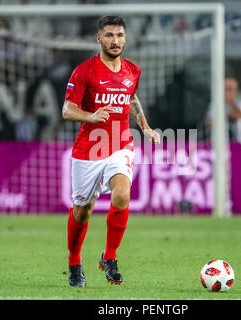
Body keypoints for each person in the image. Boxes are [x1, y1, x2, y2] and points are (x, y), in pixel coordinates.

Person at [62, 16, 160, 287]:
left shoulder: (132, 71)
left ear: (125, 38)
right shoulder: (84, 71)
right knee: (82, 211)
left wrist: (146, 127)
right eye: (109, 35)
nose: (114, 41)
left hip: (120, 144)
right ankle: (74, 261)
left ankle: (110, 257)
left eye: (119, 35)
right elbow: (67, 109)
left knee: (122, 193)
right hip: (88, 150)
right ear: (99, 39)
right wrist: (91, 116)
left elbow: (131, 97)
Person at [225, 77, 241, 143]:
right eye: (225, 89)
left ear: (236, 91)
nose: (227, 91)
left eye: (229, 89)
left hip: (238, 142)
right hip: (221, 143)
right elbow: (209, 121)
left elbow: (239, 115)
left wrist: (230, 102)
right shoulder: (216, 104)